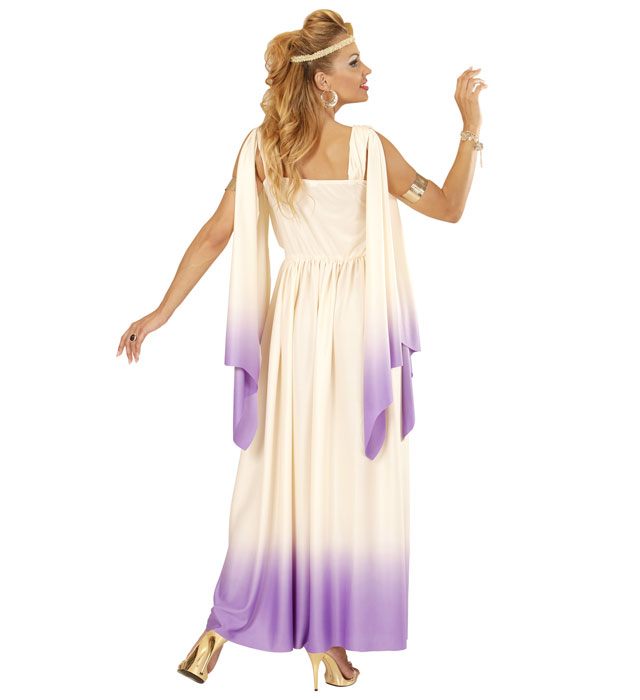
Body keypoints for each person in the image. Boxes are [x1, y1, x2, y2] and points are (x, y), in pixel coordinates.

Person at [116, 9, 486, 692]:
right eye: (354, 63)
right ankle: (326, 639)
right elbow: (449, 207)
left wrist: (161, 312)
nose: (367, 72)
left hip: (293, 327)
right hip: (359, 326)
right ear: (321, 81)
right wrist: (470, 127)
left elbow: (215, 233)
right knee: (347, 478)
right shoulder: (369, 149)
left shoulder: (263, 148)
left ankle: (221, 629)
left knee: (280, 474)